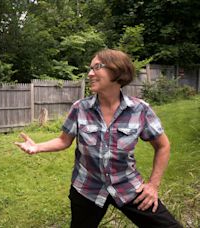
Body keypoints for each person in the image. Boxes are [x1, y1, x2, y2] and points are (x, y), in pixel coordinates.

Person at [15, 49, 182, 227]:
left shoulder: (140, 110)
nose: (90, 73)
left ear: (117, 71)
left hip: (127, 186)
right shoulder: (80, 108)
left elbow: (163, 146)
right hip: (87, 189)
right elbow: (64, 140)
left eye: (97, 67)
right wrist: (37, 147)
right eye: (90, 68)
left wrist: (153, 185)